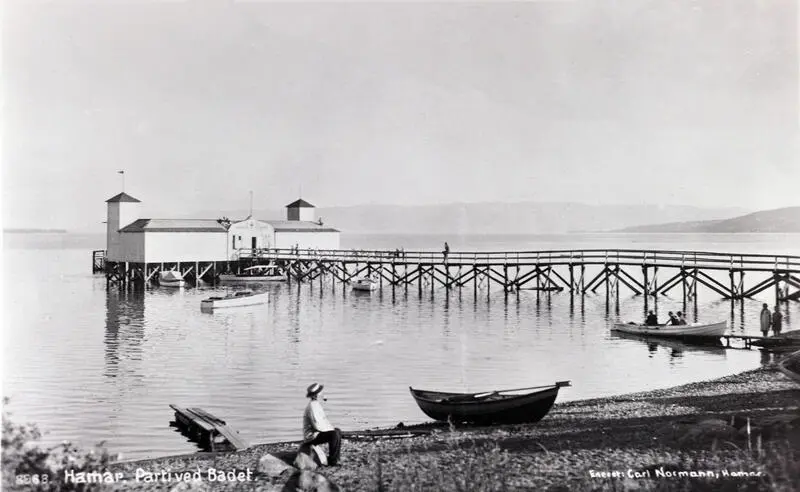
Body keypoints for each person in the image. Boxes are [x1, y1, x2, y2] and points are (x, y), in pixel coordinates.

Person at [302, 383, 341, 466]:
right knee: (334, 434)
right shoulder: (312, 406)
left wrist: (332, 429)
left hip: (317, 433)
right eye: (320, 392)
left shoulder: (316, 404)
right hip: (311, 436)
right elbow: (317, 425)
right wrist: (331, 430)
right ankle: (332, 462)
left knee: (337, 431)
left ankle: (335, 458)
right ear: (316, 395)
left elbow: (324, 422)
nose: (322, 393)